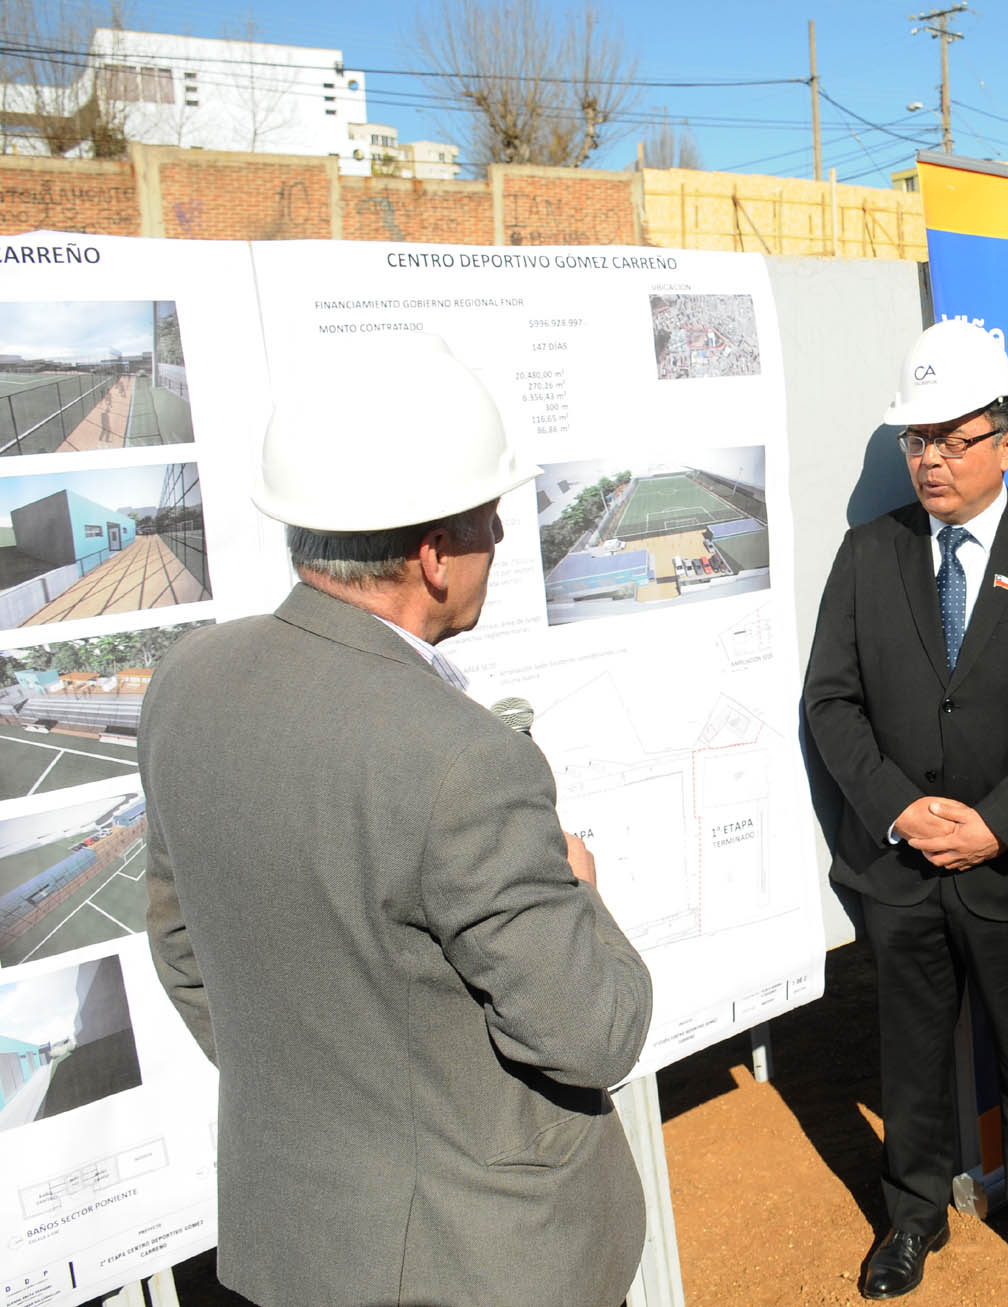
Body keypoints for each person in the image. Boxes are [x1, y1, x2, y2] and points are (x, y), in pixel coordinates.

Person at [142, 334, 653, 1307]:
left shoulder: (186, 683)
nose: (498, 541)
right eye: (490, 521)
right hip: (483, 1266)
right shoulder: (465, 761)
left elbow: (181, 952)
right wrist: (583, 895)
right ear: (433, 556)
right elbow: (594, 1034)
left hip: (295, 1249)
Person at [803, 318, 1008, 1307]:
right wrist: (899, 809)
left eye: (951, 438)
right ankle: (912, 1214)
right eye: (917, 439)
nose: (930, 459)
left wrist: (997, 823)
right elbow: (830, 701)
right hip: (899, 868)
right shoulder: (869, 552)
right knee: (910, 1057)